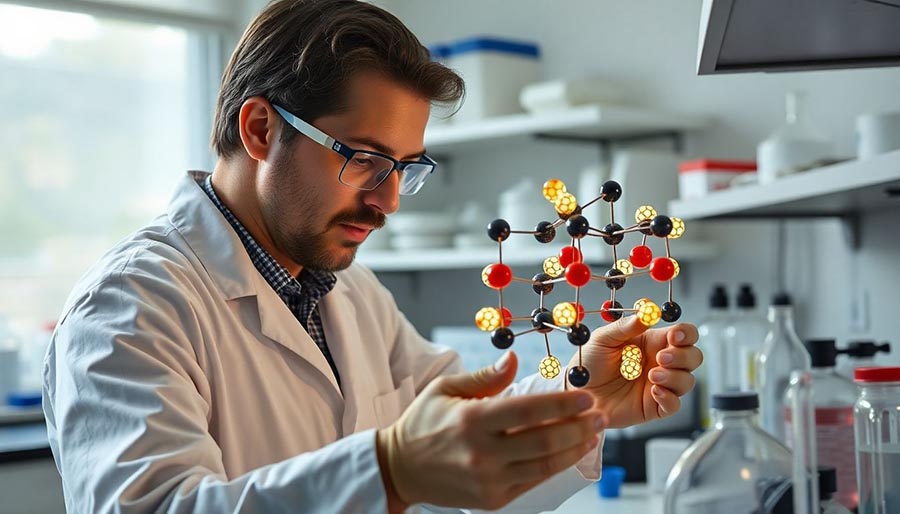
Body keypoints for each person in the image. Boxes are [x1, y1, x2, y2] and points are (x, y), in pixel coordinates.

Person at [42, 1, 702, 513]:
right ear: (261, 129)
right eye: (364, 160)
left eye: (406, 169)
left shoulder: (351, 293)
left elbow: (456, 441)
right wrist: (386, 472)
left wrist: (581, 395)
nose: (389, 201)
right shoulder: (131, 307)